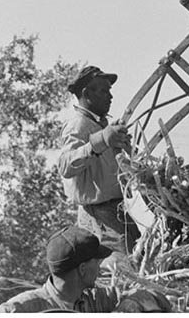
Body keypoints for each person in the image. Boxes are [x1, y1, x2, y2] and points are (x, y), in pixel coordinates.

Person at [54, 65, 139, 253]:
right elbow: (66, 165)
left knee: (137, 261)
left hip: (115, 213)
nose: (110, 96)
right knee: (119, 270)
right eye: (104, 91)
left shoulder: (98, 124)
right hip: (99, 217)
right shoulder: (78, 124)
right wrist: (99, 141)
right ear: (87, 93)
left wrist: (121, 147)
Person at [0, 226, 169, 313]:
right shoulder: (23, 309)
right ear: (83, 269)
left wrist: (130, 305)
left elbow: (152, 294)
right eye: (96, 261)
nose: (100, 266)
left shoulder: (94, 299)